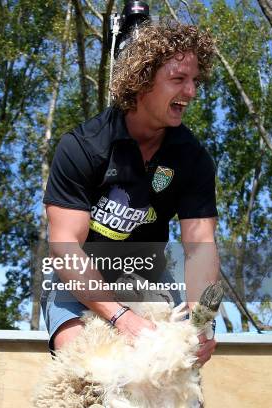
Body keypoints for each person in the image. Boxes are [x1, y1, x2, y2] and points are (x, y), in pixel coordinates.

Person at [41, 21, 219, 366]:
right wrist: (121, 318)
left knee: (175, 373)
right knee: (87, 369)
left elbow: (201, 249)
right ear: (142, 79)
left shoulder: (193, 159)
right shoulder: (84, 147)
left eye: (195, 80)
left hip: (149, 276)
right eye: (179, 79)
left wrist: (200, 324)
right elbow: (64, 248)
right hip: (81, 276)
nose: (191, 91)